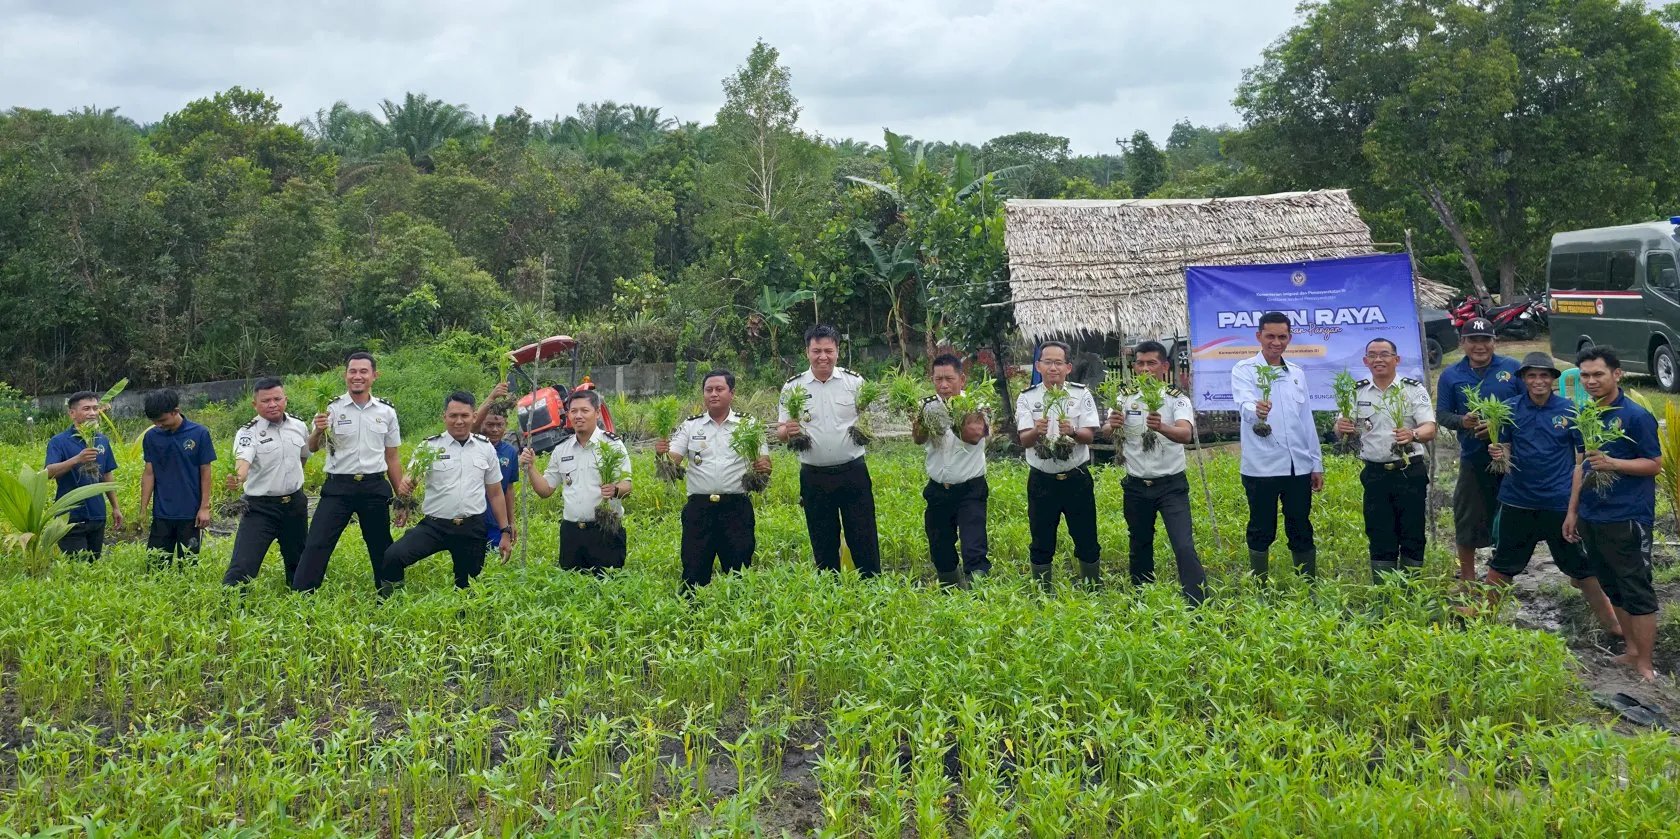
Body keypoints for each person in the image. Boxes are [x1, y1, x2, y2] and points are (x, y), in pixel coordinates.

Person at [1464, 354, 1622, 636]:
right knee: (1503, 564)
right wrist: (1500, 452)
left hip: (1558, 503)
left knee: (1580, 567)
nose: (1538, 381)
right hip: (1517, 500)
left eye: (1544, 375)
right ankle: (1482, 621)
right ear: (1523, 379)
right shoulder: (1509, 409)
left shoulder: (1571, 410)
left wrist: (1579, 500)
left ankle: (1613, 625)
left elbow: (1582, 457)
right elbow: (1507, 446)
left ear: (1553, 379)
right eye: (1532, 376)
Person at [1566, 347, 1663, 682]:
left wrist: (1614, 464)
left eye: (1598, 374)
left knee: (1636, 587)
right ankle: (1632, 650)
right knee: (1612, 585)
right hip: (1593, 516)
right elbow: (1581, 466)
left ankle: (1646, 663)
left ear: (1616, 374)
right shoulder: (1585, 415)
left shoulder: (1635, 416)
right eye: (1586, 376)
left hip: (1627, 516)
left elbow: (1654, 464)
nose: (1591, 381)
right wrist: (1572, 511)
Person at [291, 352, 406, 593]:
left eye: (364, 372)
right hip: (338, 487)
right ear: (345, 375)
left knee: (380, 543)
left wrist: (401, 499)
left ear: (374, 376)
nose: (357, 376)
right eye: (352, 371)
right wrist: (318, 430)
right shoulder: (330, 408)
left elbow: (392, 458)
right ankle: (302, 595)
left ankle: (390, 594)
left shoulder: (386, 412)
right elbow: (312, 447)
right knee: (318, 542)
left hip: (374, 487)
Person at [777, 324, 882, 577]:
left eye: (828, 350)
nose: (823, 356)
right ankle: (829, 592)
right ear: (807, 352)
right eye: (816, 351)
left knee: (863, 535)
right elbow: (780, 433)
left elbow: (873, 420)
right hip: (814, 476)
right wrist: (787, 431)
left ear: (837, 351)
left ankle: (872, 589)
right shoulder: (793, 387)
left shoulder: (855, 382)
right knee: (823, 539)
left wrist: (868, 426)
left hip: (853, 473)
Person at [380, 392, 512, 594]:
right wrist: (406, 485)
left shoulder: (485, 449)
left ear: (474, 417)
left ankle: (464, 620)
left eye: (465, 416)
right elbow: (411, 479)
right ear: (445, 417)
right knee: (393, 556)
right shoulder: (430, 446)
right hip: (435, 527)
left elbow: (495, 493)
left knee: (468, 586)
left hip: (472, 528)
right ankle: (390, 604)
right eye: (453, 416)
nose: (459, 421)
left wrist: (505, 531)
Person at [1105, 340, 1205, 604]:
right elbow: (1106, 431)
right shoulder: (1124, 396)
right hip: (1136, 485)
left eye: (1151, 363)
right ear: (1134, 366)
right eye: (1140, 363)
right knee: (1139, 544)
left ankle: (1198, 603)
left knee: (1183, 545)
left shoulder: (1176, 399)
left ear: (1164, 366)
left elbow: (1185, 433)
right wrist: (1111, 425)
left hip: (1171, 486)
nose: (1145, 368)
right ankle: (1142, 599)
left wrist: (1162, 428)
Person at [656, 370, 771, 592]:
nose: (713, 394)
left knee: (739, 573)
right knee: (693, 572)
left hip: (736, 509)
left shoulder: (748, 425)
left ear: (732, 393)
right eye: (709, 390)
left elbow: (764, 463)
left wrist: (764, 467)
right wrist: (661, 454)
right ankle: (694, 619)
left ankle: (738, 620)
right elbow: (673, 462)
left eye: (719, 389)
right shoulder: (691, 426)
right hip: (699, 510)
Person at [1333, 338, 1437, 582]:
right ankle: (1385, 595)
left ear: (1396, 359)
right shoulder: (1356, 392)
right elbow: (1342, 428)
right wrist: (1342, 426)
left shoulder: (1412, 389)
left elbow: (1429, 429)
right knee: (1379, 532)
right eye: (1372, 355)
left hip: (1409, 472)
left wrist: (1412, 434)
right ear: (1365, 361)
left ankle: (1412, 592)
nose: (1378, 359)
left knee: (1412, 532)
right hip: (1376, 474)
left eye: (1384, 354)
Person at [1232, 312, 1323, 581]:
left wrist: (1315, 464)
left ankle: (1308, 586)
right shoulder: (1244, 370)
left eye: (1282, 336)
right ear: (1258, 336)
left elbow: (1306, 421)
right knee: (1261, 529)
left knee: (1301, 527)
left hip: (1298, 467)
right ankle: (1260, 588)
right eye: (1270, 336)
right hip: (1261, 467)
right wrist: (1256, 410)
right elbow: (1244, 404)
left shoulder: (1296, 373)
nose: (1276, 342)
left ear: (1289, 338)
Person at [1436, 318, 1523, 580]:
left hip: (1511, 459)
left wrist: (1499, 424)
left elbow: (1528, 406)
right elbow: (1442, 414)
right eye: (1473, 340)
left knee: (1510, 519)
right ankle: (1468, 578)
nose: (1480, 345)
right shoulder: (1451, 375)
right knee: (1466, 518)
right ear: (1463, 343)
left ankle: (1501, 575)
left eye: (1485, 339)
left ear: (1494, 341)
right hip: (1473, 458)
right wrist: (1462, 421)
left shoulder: (1512, 369)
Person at [1015, 340, 1102, 589]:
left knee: (1086, 538)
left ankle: (1092, 588)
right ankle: (1043, 592)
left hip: (1076, 479)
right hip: (1042, 480)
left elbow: (1089, 436)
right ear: (1038, 366)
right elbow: (1024, 440)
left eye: (1058, 363)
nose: (1053, 368)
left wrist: (1073, 431)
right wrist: (1037, 431)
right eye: (1048, 362)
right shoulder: (1027, 398)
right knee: (1041, 540)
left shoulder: (1080, 394)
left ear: (1068, 367)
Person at [523, 390, 632, 575]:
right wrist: (531, 467)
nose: (578, 416)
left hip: (605, 531)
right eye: (573, 411)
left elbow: (627, 486)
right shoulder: (561, 450)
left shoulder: (613, 444)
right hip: (571, 534)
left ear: (597, 413)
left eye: (584, 410)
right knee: (572, 593)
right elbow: (545, 490)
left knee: (606, 590)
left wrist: (614, 490)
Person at [222, 378, 312, 587]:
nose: (272, 404)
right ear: (255, 404)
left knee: (299, 563)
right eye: (265, 401)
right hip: (259, 508)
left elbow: (303, 456)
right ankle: (230, 609)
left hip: (295, 505)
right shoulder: (248, 432)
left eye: (277, 399)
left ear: (285, 400)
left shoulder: (298, 426)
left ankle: (301, 606)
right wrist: (237, 478)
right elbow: (242, 463)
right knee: (243, 565)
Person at [911, 354, 991, 589]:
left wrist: (952, 415)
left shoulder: (978, 405)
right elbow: (918, 439)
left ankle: (980, 602)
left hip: (970, 491)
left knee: (974, 548)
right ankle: (951, 598)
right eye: (938, 379)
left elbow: (974, 436)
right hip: (937, 490)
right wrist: (920, 424)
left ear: (962, 379)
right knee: (940, 548)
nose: (943, 385)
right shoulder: (926, 406)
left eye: (949, 379)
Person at [139, 389, 216, 564]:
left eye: (162, 420)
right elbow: (149, 472)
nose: (158, 425)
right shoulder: (151, 436)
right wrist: (143, 509)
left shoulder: (199, 433)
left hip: (190, 513)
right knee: (156, 565)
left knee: (188, 565)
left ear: (176, 411)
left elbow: (205, 472)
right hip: (162, 512)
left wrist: (204, 507)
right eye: (154, 421)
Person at [43, 391, 123, 559]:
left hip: (97, 515)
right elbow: (48, 472)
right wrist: (77, 459)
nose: (93, 413)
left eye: (95, 408)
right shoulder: (59, 441)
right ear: (72, 413)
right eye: (86, 409)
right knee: (77, 567)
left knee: (94, 565)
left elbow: (106, 474)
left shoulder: (102, 440)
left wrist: (115, 507)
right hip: (71, 518)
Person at [472, 381, 518, 562]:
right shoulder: (473, 445)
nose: (494, 430)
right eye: (489, 424)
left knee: (494, 564)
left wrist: (510, 523)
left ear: (506, 425)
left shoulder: (510, 452)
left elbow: (509, 489)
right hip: (473, 519)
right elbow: (471, 425)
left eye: (499, 425)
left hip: (496, 522)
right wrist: (492, 396)